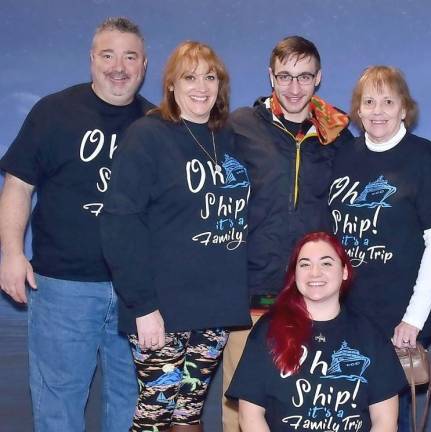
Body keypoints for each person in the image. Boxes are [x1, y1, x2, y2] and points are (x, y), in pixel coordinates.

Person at [0, 17, 150, 431]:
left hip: (136, 296)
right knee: (57, 407)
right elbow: (17, 185)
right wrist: (12, 254)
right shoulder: (53, 112)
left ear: (143, 65)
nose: (118, 66)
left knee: (134, 407)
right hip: (62, 290)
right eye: (108, 55)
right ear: (91, 60)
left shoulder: (158, 124)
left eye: (129, 56)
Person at [101, 41, 251, 432]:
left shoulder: (229, 138)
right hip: (161, 309)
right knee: (156, 410)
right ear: (171, 84)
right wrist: (143, 307)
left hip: (215, 307)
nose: (200, 86)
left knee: (188, 412)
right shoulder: (147, 135)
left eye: (210, 76)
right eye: (189, 77)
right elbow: (120, 223)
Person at [222, 35, 352, 431]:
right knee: (239, 405)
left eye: (304, 77)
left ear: (319, 78)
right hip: (249, 292)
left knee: (302, 405)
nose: (294, 88)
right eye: (285, 77)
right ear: (270, 77)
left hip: (310, 295)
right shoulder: (240, 125)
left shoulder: (338, 132)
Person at [328, 65, 431, 430]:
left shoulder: (424, 158)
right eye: (369, 102)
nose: (378, 110)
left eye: (387, 101)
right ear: (358, 110)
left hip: (399, 321)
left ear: (404, 109)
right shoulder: (344, 156)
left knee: (393, 419)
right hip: (347, 317)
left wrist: (413, 318)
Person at [226, 231, 407, 432]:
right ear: (295, 275)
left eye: (326, 263)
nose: (315, 273)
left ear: (344, 271)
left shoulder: (371, 335)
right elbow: (250, 415)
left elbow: (385, 421)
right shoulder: (267, 331)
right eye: (305, 264)